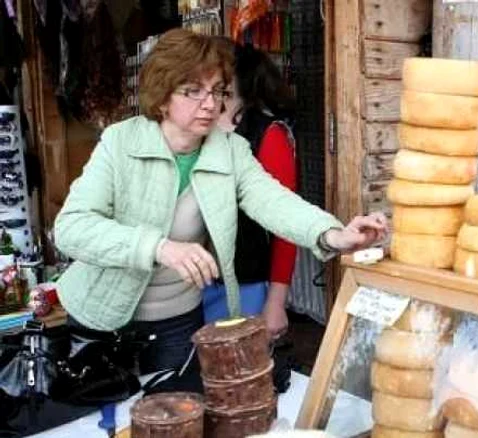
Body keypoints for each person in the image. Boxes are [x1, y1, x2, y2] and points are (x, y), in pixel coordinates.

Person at [54, 28, 388, 374]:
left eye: (217, 91)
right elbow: (71, 228)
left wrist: (334, 234)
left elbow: (275, 201)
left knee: (178, 419)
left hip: (178, 322)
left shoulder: (229, 150)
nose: (211, 104)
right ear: (163, 96)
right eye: (193, 91)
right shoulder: (120, 141)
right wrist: (158, 247)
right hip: (102, 320)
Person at [204, 42, 297, 339]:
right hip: (191, 285)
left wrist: (276, 302)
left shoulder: (269, 135)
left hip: (246, 285)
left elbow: (286, 226)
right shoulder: (198, 129)